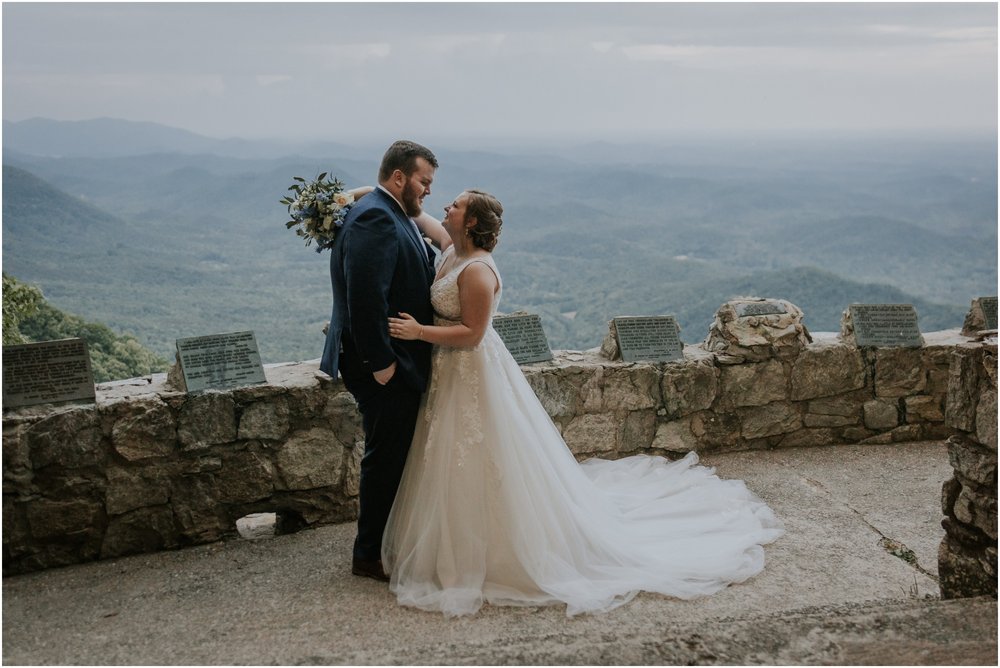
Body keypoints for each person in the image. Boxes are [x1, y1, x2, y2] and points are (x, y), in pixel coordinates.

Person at [383, 189, 785, 617]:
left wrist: (419, 333)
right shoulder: (449, 250)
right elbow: (420, 216)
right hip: (448, 375)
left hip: (471, 370)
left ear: (472, 223)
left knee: (482, 457)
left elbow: (473, 334)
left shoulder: (478, 272)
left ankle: (499, 552)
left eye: (456, 205)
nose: (447, 206)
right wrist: (368, 194)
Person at [319, 140, 438, 582]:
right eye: (424, 182)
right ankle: (368, 554)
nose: (428, 191)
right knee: (384, 459)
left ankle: (383, 544)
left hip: (393, 362)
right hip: (384, 365)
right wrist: (382, 365)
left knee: (390, 455)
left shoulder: (386, 209)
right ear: (399, 178)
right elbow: (366, 296)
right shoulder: (375, 217)